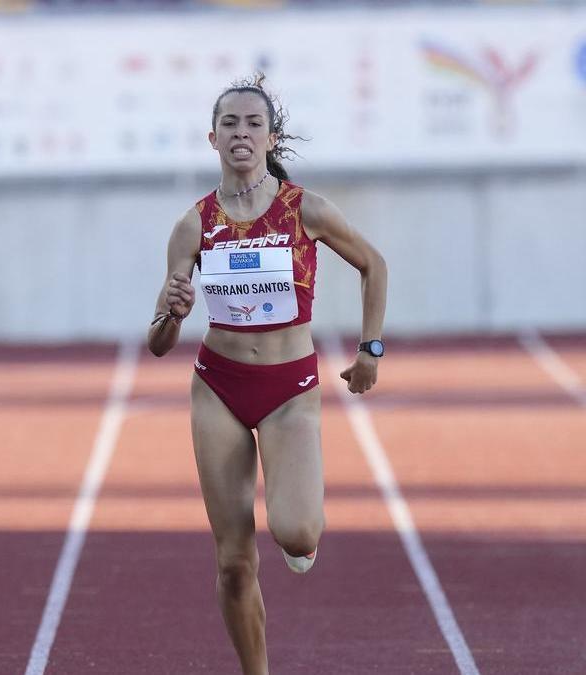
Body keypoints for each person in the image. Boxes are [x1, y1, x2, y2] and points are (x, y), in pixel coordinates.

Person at [147, 74, 387, 675]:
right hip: (219, 387)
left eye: (254, 124)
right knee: (232, 561)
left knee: (298, 532)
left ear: (271, 136)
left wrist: (370, 349)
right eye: (230, 124)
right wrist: (172, 313)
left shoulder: (305, 209)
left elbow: (373, 264)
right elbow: (158, 341)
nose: (241, 134)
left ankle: (298, 535)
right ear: (212, 137)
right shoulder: (193, 225)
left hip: (290, 391)